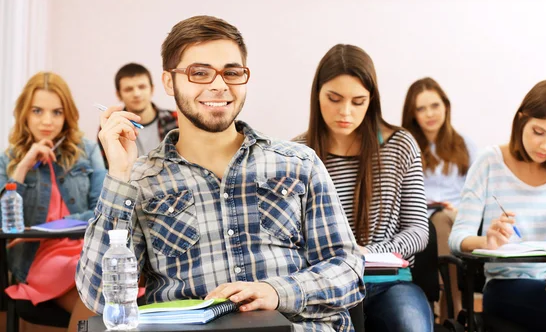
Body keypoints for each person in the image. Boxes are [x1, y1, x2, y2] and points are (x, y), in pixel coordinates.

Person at [75, 16, 365, 331]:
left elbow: (348, 271)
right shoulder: (140, 180)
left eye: (232, 72)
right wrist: (119, 176)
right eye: (199, 73)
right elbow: (100, 297)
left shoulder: (299, 163)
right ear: (170, 82)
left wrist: (276, 292)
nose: (219, 85)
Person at [295, 44, 433, 332]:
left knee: (410, 325)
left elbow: (419, 230)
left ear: (372, 100)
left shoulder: (400, 145)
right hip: (323, 289)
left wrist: (365, 254)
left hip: (388, 284)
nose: (345, 111)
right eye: (334, 98)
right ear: (317, 94)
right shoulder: (296, 154)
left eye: (358, 101)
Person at [449, 79, 546, 331]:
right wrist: (487, 242)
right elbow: (457, 238)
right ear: (521, 120)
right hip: (508, 286)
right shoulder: (489, 162)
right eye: (538, 132)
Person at [0, 72, 106, 332]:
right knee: (101, 298)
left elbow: (103, 208)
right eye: (37, 111)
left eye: (56, 112)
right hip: (38, 258)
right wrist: (24, 166)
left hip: (84, 249)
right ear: (24, 113)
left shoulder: (87, 150)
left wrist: (60, 224)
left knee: (97, 294)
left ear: (66, 114)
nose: (47, 121)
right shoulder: (9, 159)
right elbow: (4, 222)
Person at [402, 77, 477, 320]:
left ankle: (449, 306)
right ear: (413, 114)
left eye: (434, 106)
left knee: (450, 220)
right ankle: (453, 305)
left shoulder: (465, 144)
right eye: (421, 109)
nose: (429, 114)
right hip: (425, 217)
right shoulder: (406, 145)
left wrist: (462, 209)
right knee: (441, 221)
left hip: (462, 215)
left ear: (445, 106)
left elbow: (478, 190)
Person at [98, 62, 177, 166]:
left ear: (152, 89)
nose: (136, 94)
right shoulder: (111, 127)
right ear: (118, 95)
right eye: (128, 89)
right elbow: (110, 168)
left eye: (142, 87)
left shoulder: (175, 120)